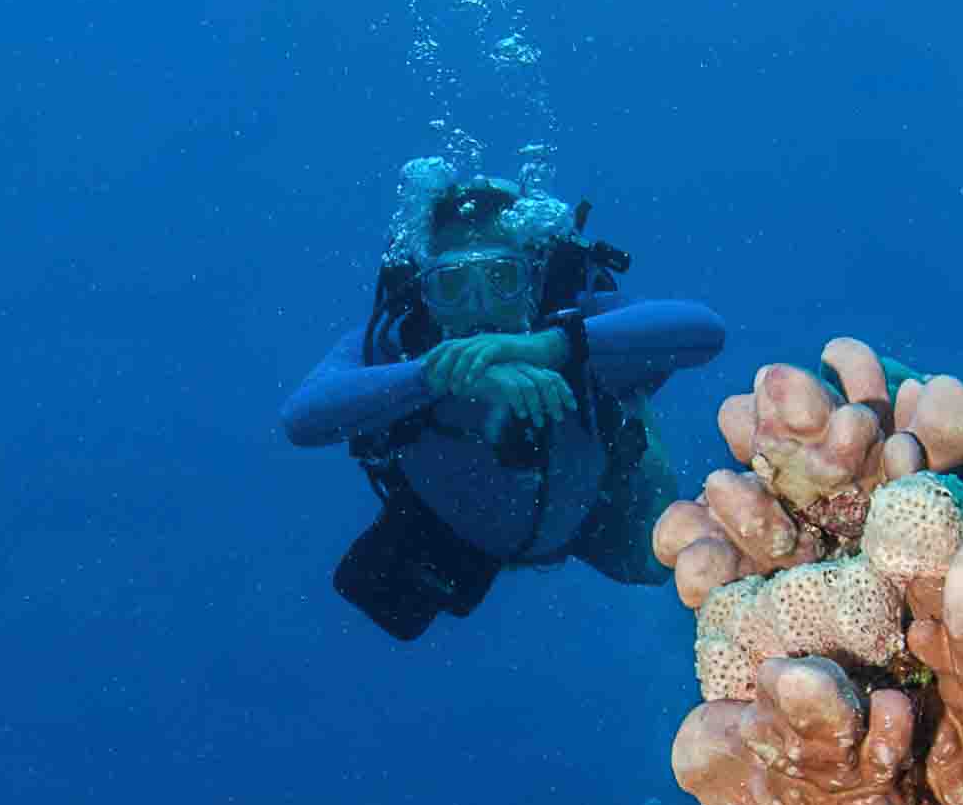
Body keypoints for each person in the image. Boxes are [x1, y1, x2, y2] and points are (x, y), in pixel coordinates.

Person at [282, 161, 726, 638]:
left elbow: (704, 330)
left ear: (533, 279)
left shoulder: (572, 319)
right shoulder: (398, 344)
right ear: (425, 294)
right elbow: (302, 417)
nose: (480, 307)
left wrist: (555, 345)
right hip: (455, 535)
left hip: (599, 508)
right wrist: (437, 375)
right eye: (452, 286)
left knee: (679, 565)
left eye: (501, 278)